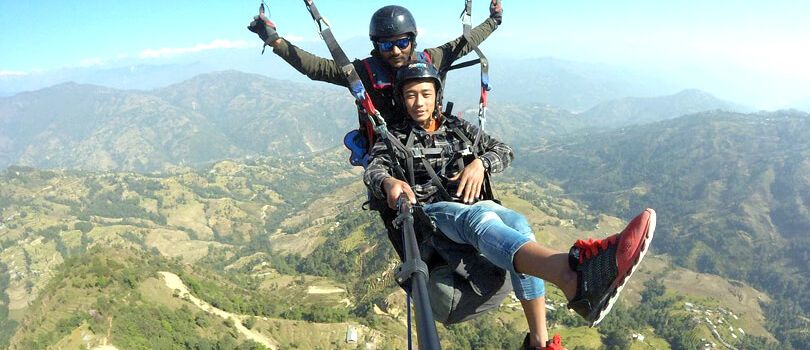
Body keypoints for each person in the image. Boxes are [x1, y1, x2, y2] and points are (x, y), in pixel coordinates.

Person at [363, 62, 656, 349]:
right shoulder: (395, 137)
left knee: (518, 224)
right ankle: (571, 274)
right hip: (433, 216)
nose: (418, 102)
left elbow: (504, 150)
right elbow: (374, 169)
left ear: (436, 95)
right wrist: (389, 183)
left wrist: (481, 163)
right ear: (402, 99)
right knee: (476, 216)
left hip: (473, 206)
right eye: (410, 95)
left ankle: (539, 342)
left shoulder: (456, 128)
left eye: (425, 94)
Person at [248, 1, 503, 127]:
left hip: (432, 133)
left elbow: (465, 43)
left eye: (402, 43)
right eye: (385, 45)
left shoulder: (430, 59)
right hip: (388, 147)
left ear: (412, 41)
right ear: (376, 45)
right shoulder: (363, 73)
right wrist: (274, 41)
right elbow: (314, 67)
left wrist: (494, 20)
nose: (394, 51)